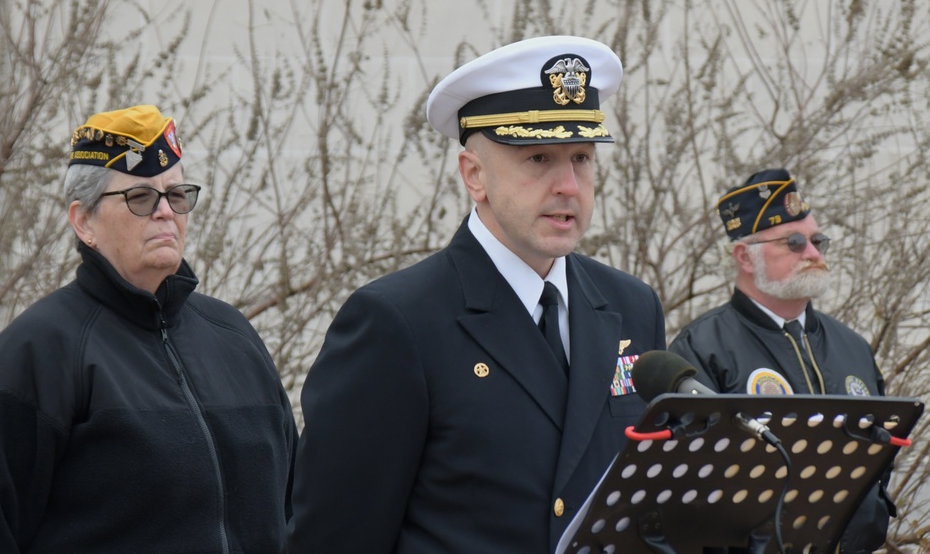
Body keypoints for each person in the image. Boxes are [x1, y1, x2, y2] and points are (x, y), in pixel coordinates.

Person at [288, 36, 667, 553]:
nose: (569, 186)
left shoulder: (630, 305)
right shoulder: (398, 321)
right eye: (538, 158)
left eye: (581, 157)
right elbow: (335, 538)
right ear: (474, 175)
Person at [0, 105, 298, 553]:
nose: (166, 212)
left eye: (177, 195)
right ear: (84, 222)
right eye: (140, 198)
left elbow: (296, 510)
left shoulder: (235, 339)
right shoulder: (37, 352)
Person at [670, 168, 893, 554]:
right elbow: (692, 482)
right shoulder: (702, 348)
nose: (812, 253)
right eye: (793, 242)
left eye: (817, 240)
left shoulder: (852, 346)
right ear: (744, 256)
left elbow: (881, 456)